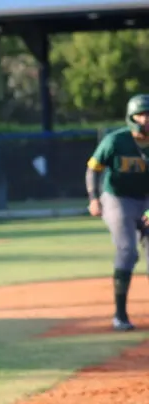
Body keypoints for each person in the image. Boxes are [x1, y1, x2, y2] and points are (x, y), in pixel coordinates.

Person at [87, 93, 149, 331]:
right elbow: (93, 169)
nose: (146, 119)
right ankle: (120, 314)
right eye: (141, 114)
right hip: (117, 198)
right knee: (127, 250)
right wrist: (94, 198)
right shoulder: (116, 141)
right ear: (131, 117)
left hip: (146, 199)